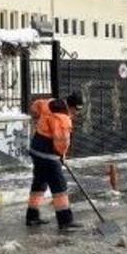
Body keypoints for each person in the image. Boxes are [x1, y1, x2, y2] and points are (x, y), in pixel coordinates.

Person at [26, 92, 84, 230]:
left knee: (39, 183)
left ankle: (32, 217)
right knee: (59, 186)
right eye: (76, 110)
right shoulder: (62, 118)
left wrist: (38, 118)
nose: (76, 113)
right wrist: (61, 154)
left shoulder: (50, 102)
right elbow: (62, 142)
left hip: (36, 150)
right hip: (48, 156)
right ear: (70, 107)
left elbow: (35, 106)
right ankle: (65, 221)